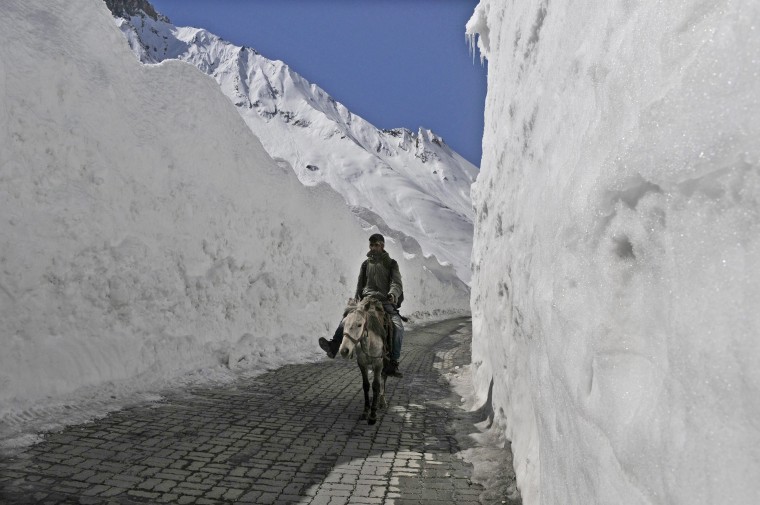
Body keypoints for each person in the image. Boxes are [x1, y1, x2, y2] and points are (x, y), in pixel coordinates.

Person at [319, 233, 405, 378]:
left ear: (382, 246)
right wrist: (357, 300)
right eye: (371, 245)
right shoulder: (365, 264)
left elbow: (397, 282)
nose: (373, 247)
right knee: (348, 318)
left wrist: (392, 294)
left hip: (385, 301)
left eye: (376, 245)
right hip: (366, 300)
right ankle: (334, 346)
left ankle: (393, 363)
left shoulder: (391, 264)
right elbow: (360, 285)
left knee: (398, 327)